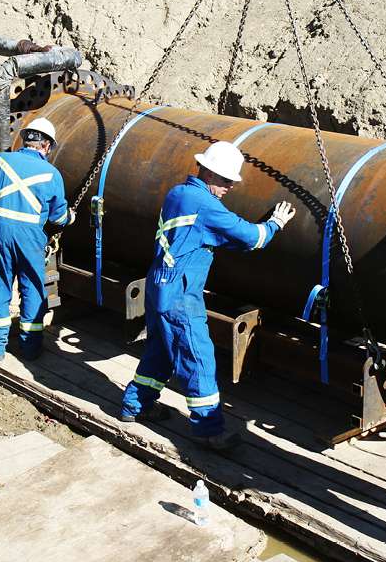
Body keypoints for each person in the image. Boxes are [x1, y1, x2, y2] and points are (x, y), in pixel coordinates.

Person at [119, 141, 296, 450]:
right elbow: (252, 237)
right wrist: (274, 224)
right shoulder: (206, 205)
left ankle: (135, 405)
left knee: (161, 351)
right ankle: (210, 431)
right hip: (181, 294)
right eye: (226, 180)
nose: (230, 187)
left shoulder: (178, 194)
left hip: (158, 285)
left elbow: (204, 235)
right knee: (198, 359)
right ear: (210, 173)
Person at [0, 118, 72, 362]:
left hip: (1, 232)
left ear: (24, 139)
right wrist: (70, 217)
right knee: (32, 286)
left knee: (0, 282)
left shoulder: (2, 160)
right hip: (30, 236)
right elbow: (58, 217)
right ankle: (30, 348)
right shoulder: (52, 174)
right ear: (47, 145)